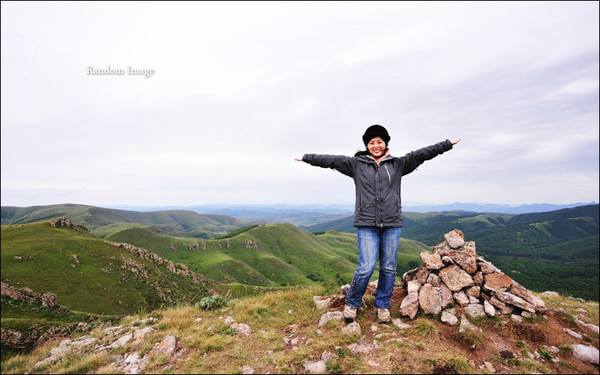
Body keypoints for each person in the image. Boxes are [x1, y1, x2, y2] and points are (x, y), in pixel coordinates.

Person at [295, 124, 461, 323]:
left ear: (385, 143)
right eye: (372, 142)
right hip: (366, 223)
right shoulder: (357, 164)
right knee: (365, 267)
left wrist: (446, 145)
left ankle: (382, 306)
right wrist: (307, 158)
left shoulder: (397, 164)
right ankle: (352, 303)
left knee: (389, 268)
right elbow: (332, 160)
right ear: (367, 145)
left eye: (379, 142)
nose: (376, 145)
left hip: (391, 223)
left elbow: (421, 155)